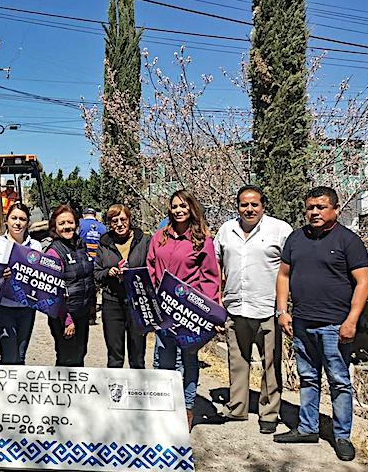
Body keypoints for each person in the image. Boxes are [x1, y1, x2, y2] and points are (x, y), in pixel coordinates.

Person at [273, 187, 368, 462]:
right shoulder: (296, 238)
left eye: (321, 207)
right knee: (307, 377)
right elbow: (283, 275)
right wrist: (283, 310)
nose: (314, 212)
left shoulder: (348, 241)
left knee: (339, 381)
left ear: (335, 210)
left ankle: (342, 435)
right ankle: (307, 428)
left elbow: (364, 282)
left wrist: (352, 320)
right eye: (310, 207)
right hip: (302, 322)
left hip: (335, 325)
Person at [214, 186, 293, 434]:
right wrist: (217, 296)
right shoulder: (226, 230)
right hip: (236, 307)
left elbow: (290, 268)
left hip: (268, 307)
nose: (249, 209)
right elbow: (215, 263)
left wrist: (285, 307)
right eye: (243, 204)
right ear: (237, 206)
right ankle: (237, 407)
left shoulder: (280, 230)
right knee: (237, 361)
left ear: (263, 206)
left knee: (270, 364)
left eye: (254, 204)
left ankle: (269, 412)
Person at [147, 190, 220, 430]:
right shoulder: (160, 237)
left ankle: (187, 408)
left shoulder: (202, 240)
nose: (179, 210)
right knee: (162, 357)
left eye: (184, 206)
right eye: (175, 206)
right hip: (163, 308)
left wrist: (210, 309)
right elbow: (150, 267)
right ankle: (162, 406)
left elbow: (210, 276)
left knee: (187, 359)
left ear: (192, 209)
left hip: (189, 310)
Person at [94, 204, 151, 369]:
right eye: (114, 221)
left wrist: (135, 275)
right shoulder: (104, 243)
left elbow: (151, 269)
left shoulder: (144, 240)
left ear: (129, 220)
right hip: (112, 302)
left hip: (137, 302)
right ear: (109, 224)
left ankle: (137, 392)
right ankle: (114, 394)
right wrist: (108, 272)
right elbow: (97, 273)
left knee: (137, 357)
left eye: (123, 219)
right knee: (114, 357)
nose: (119, 224)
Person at [45, 204, 95, 367]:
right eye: (62, 223)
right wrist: (67, 320)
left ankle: (77, 393)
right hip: (65, 316)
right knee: (67, 358)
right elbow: (54, 292)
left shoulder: (81, 246)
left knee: (80, 355)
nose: (67, 226)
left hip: (82, 312)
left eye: (70, 222)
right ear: (55, 227)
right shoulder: (53, 252)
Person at [0, 202, 42, 365]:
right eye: (14, 218)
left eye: (22, 219)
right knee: (9, 356)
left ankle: (17, 391)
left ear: (28, 223)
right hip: (3, 307)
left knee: (20, 357)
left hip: (26, 309)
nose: (18, 222)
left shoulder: (36, 246)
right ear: (7, 220)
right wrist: (0, 274)